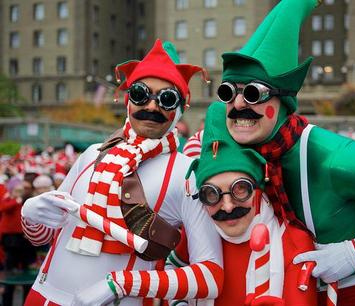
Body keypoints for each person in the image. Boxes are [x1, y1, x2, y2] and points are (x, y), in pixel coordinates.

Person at [185, 0, 355, 304]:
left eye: (254, 93)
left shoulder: (333, 157)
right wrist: (193, 162)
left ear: (283, 102)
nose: (239, 104)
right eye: (229, 92)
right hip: (280, 285)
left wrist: (354, 252)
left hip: (346, 292)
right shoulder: (240, 134)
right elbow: (202, 137)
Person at [20, 40, 223, 306]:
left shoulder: (187, 172)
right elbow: (44, 237)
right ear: (128, 101)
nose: (151, 106)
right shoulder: (92, 154)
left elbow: (210, 276)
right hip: (43, 297)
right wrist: (30, 214)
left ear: (179, 109)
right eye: (140, 94)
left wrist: (121, 283)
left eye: (167, 98)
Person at [170, 106, 318, 306]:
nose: (228, 207)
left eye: (240, 189)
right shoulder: (199, 231)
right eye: (212, 194)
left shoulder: (292, 241)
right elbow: (172, 270)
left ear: (258, 187)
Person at [0, 176, 37, 306]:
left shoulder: (23, 199)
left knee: (27, 269)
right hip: (10, 239)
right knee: (10, 269)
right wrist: (15, 200)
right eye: (16, 190)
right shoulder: (8, 199)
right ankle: (7, 300)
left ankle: (26, 301)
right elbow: (4, 208)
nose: (19, 192)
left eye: (20, 190)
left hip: (23, 238)